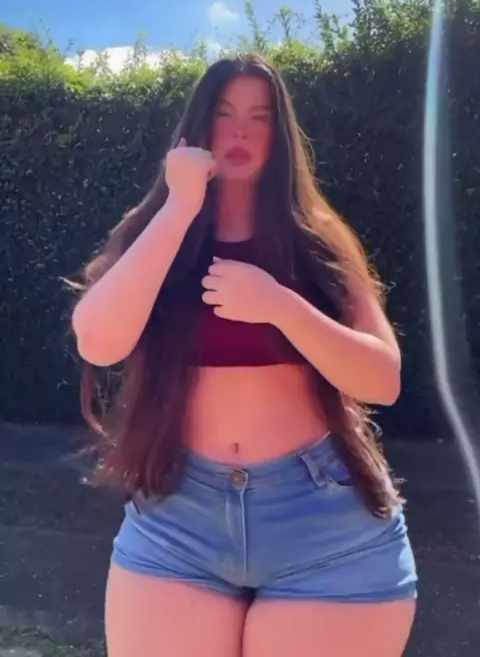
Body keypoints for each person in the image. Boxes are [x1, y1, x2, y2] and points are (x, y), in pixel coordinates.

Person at [72, 54, 417, 657]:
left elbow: (382, 379)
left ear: (280, 136)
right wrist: (178, 208)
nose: (239, 132)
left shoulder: (318, 238)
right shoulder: (156, 229)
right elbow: (98, 342)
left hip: (323, 522)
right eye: (225, 114)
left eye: (259, 117)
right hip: (179, 517)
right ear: (199, 125)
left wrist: (280, 306)